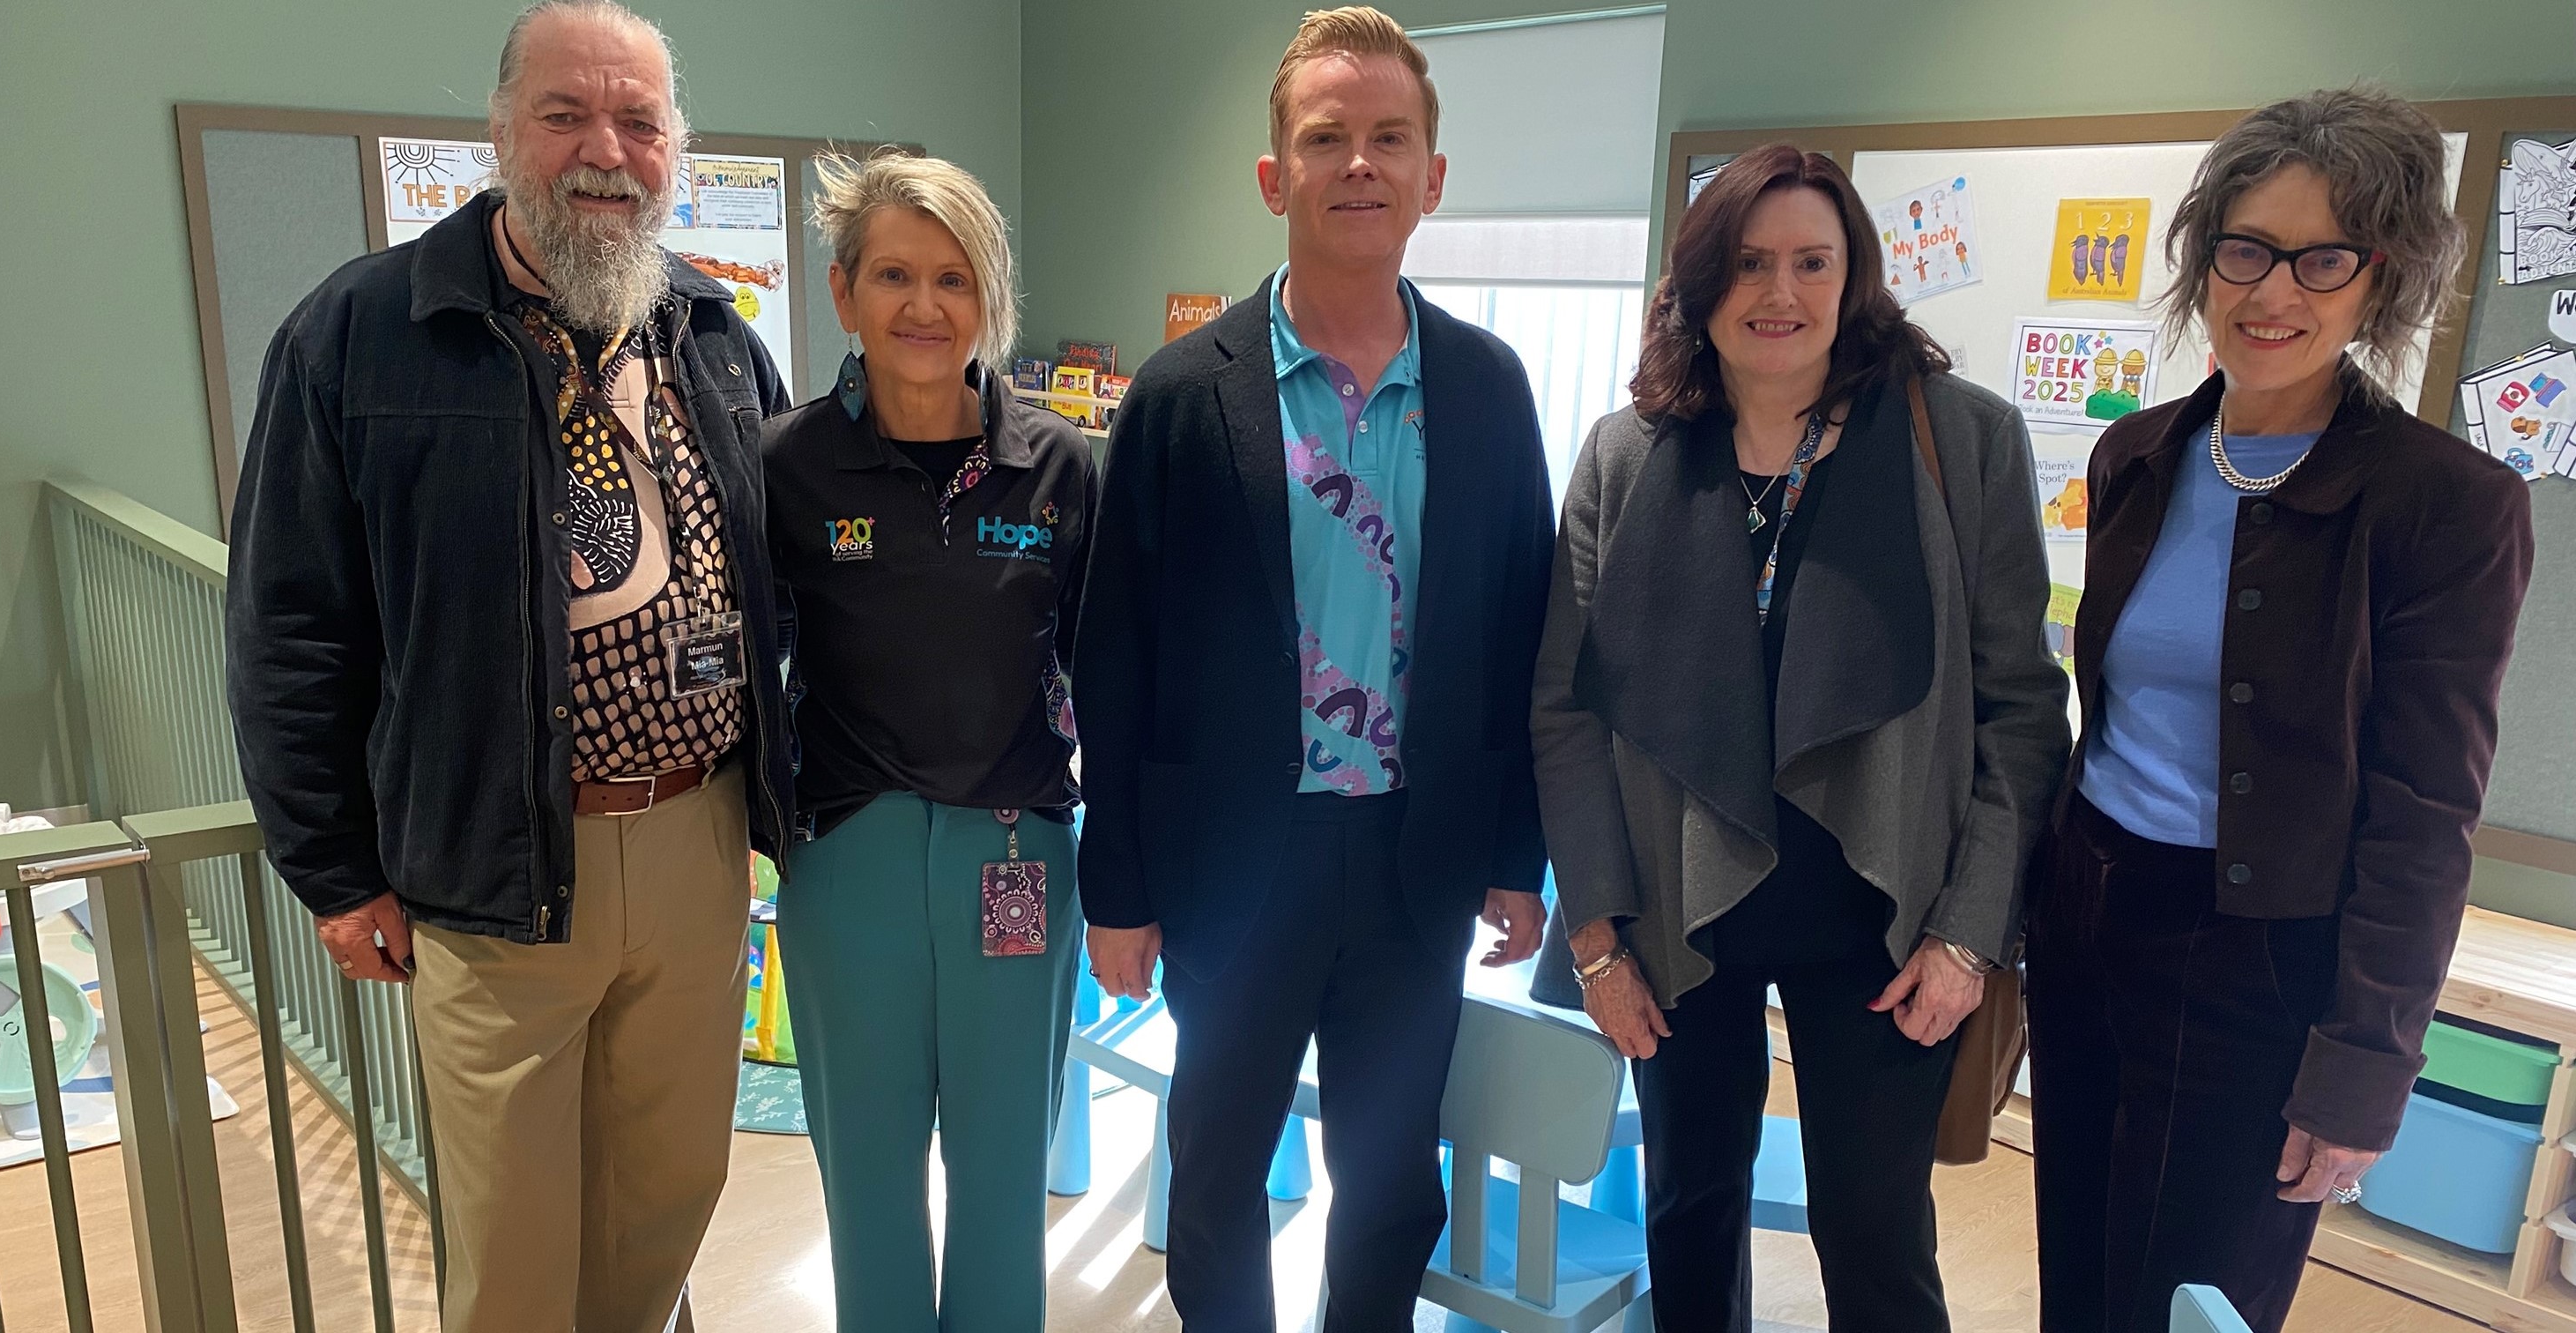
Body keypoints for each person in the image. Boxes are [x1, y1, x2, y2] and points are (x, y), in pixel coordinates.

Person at [223, 3, 792, 1328]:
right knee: (516, 1256)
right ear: (498, 134)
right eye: (566, 114)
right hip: (493, 864)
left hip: (699, 843)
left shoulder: (713, 333)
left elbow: (788, 583)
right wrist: (333, 865)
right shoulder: (361, 335)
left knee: (666, 1203)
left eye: (639, 121)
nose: (607, 149)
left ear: (675, 150)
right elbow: (288, 624)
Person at [1531, 145, 2071, 1333]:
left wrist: (1971, 936)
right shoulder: (1627, 456)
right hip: (1679, 916)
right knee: (1689, 1205)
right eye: (1749, 262)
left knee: (1876, 1235)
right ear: (1699, 282)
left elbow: (2023, 712)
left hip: (1883, 924)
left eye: (1812, 262)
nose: (1780, 294)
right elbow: (1566, 710)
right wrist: (1597, 941)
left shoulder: (1961, 438)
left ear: (1856, 275)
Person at [1072, 8, 1555, 1329]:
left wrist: (1521, 852)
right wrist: (1114, 883)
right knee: (1217, 1170)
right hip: (1233, 868)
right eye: (1326, 137)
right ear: (1275, 175)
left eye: (1389, 138)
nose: (1360, 163)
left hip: (1419, 860)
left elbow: (1525, 635)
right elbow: (1113, 656)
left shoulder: (1491, 390)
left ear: (1432, 179)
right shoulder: (1181, 397)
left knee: (1392, 1177)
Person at [2027, 87, 2535, 1333]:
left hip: (2265, 961)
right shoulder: (2136, 455)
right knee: (2080, 1273)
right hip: (2091, 917)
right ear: (2206, 260)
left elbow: (2427, 812)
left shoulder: (2446, 505)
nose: (2274, 293)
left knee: (2195, 1302)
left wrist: (2367, 1062)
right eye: (2245, 249)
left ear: (2383, 278)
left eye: (2325, 258)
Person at [758, 150, 1090, 1332]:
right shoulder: (786, 465)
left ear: (986, 299)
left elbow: (1100, 666)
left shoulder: (1056, 466)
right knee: (871, 1180)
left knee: (1005, 1181)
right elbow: (752, 669)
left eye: (953, 278)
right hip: (851, 863)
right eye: (893, 274)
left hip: (1018, 859)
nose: (923, 306)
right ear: (844, 293)